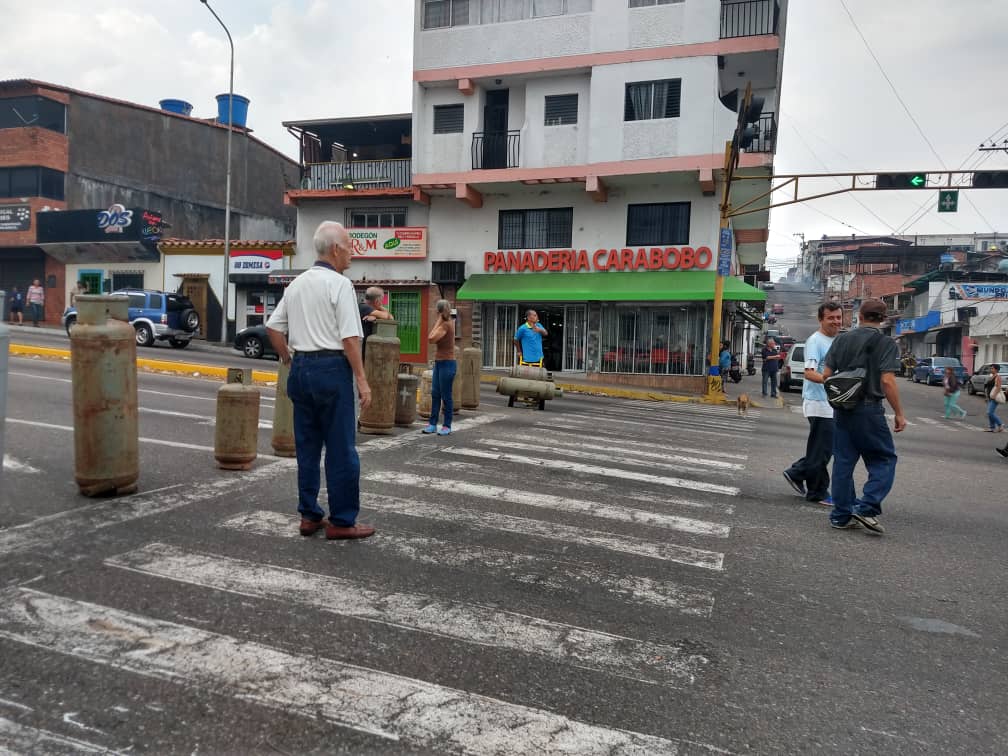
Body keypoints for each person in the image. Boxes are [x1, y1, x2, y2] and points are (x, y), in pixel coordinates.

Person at [265, 221, 375, 541]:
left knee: (308, 448)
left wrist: (287, 358)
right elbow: (351, 339)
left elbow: (274, 328)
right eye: (349, 245)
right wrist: (362, 380)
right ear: (335, 249)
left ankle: (309, 515)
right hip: (331, 368)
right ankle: (342, 520)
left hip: (301, 369)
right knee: (341, 449)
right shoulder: (340, 284)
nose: (353, 251)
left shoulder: (296, 284)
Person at [821, 299, 906, 534]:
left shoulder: (842, 338)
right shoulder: (886, 343)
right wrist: (899, 413)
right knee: (884, 459)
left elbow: (826, 374)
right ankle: (866, 507)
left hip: (843, 409)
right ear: (883, 318)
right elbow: (887, 381)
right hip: (869, 409)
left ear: (859, 315)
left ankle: (840, 516)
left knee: (843, 462)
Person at [783, 302, 842, 506]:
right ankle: (816, 491)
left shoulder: (836, 340)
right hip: (819, 402)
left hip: (831, 403)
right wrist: (832, 382)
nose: (836, 321)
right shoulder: (815, 341)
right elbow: (809, 373)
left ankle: (797, 473)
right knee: (823, 450)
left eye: (838, 317)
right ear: (821, 319)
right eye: (831, 318)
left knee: (823, 449)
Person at [423, 299, 456, 436]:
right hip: (439, 362)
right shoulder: (444, 322)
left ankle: (447, 425)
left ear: (439, 311)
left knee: (446, 396)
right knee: (435, 394)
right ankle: (432, 424)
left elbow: (431, 338)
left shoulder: (446, 325)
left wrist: (438, 320)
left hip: (448, 363)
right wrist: (439, 318)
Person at [358, 285, 393, 361]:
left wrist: (376, 316)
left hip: (365, 351)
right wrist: (379, 313)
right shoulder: (363, 307)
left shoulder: (370, 310)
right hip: (359, 352)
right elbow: (387, 316)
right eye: (381, 300)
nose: (382, 303)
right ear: (377, 301)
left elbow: (391, 318)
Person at [984, 362, 1004, 433]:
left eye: (992, 368)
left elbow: (998, 387)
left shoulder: (998, 377)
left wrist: (994, 396)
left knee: (990, 412)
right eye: (991, 368)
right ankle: (992, 427)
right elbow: (987, 387)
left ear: (996, 370)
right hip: (990, 397)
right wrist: (986, 396)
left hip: (994, 397)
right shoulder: (991, 376)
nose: (991, 369)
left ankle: (1000, 424)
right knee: (990, 412)